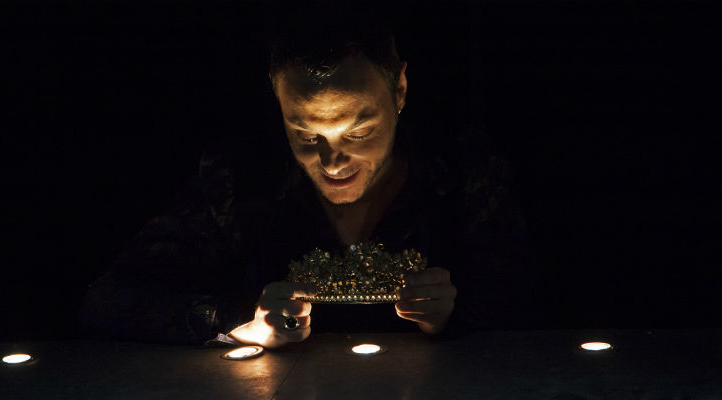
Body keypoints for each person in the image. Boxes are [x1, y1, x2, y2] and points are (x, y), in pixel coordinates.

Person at [79, 10, 542, 348]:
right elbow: (107, 301)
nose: (333, 161)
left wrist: (455, 315)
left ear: (399, 91)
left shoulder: (463, 174)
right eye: (305, 133)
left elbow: (540, 308)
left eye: (359, 131)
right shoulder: (239, 181)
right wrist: (240, 319)